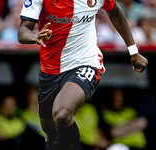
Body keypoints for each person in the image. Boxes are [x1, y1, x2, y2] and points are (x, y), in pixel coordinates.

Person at [18, 0, 148, 149]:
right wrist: (35, 37)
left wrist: (133, 51)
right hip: (50, 71)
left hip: (86, 62)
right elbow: (22, 31)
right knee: (51, 135)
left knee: (62, 114)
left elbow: (115, 11)